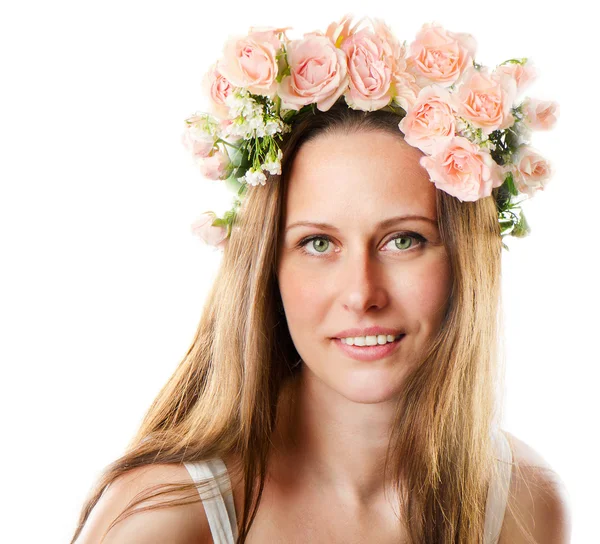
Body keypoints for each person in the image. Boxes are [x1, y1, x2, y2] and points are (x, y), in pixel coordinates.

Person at [70, 17, 570, 544]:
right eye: (318, 244)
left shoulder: (523, 502)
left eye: (404, 240)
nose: (361, 294)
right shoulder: (164, 517)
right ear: (268, 269)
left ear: (465, 261)